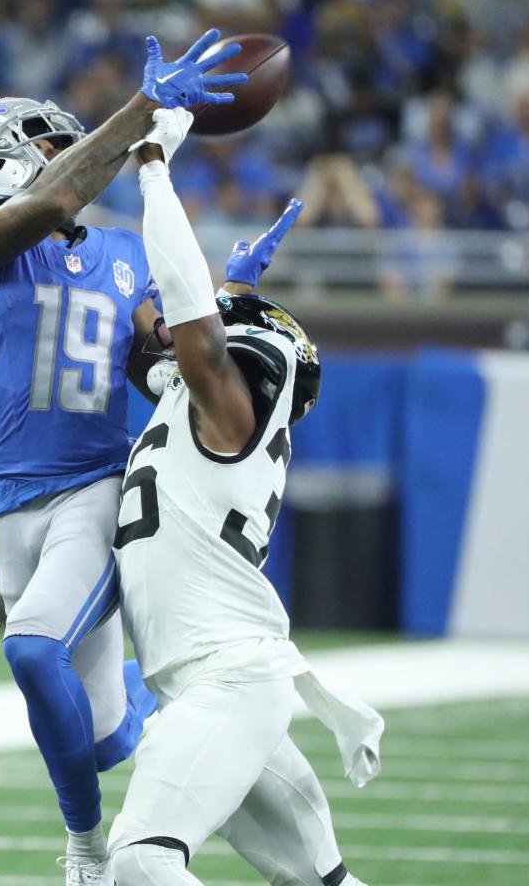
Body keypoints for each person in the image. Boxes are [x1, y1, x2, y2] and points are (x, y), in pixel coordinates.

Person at [0, 29, 247, 882]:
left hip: (95, 494)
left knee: (32, 650)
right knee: (101, 740)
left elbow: (161, 370)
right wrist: (140, 116)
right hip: (10, 504)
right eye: (52, 145)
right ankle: (156, 701)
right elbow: (44, 207)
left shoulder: (125, 259)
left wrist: (225, 314)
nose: (73, 163)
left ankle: (86, 850)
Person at [108, 107, 382, 886]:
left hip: (224, 682)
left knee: (139, 866)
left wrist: (154, 168)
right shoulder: (217, 414)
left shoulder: (229, 407)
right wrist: (234, 289)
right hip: (221, 682)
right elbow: (162, 341)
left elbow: (193, 335)